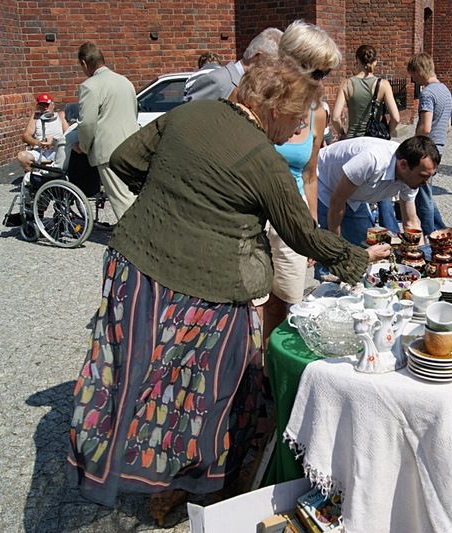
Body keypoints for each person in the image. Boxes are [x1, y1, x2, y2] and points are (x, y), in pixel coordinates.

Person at [67, 57, 390, 524]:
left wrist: (171, 196)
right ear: (272, 106)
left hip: (132, 267)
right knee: (214, 388)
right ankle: (191, 485)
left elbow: (123, 161)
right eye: (298, 116)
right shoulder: (262, 160)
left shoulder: (187, 114)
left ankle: (134, 469)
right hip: (204, 291)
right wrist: (360, 257)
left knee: (138, 371)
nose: (302, 126)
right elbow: (304, 236)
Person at [261, 20, 341, 346]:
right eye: (319, 73)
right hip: (253, 214)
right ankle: (254, 371)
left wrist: (313, 227)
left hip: (290, 218)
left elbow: (310, 173)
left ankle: (272, 369)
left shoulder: (317, 113)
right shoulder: (259, 100)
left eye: (326, 74)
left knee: (289, 297)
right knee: (254, 301)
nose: (322, 82)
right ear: (295, 65)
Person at [314, 135, 439, 281]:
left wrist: (419, 257)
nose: (427, 182)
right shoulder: (372, 160)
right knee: (328, 248)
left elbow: (411, 222)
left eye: (430, 176)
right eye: (424, 176)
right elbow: (337, 201)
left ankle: (354, 283)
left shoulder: (413, 176)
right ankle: (326, 286)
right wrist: (335, 247)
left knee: (363, 247)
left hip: (355, 195)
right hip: (324, 186)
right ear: (403, 165)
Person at [331, 45, 402, 234]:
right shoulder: (383, 85)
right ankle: (390, 231)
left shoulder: (347, 84)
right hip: (375, 141)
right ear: (375, 62)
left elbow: (335, 117)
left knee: (351, 190)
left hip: (353, 142)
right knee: (382, 188)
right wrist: (389, 132)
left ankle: (354, 229)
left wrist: (343, 133)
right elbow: (396, 117)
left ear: (357, 61)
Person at [73, 42, 139, 220]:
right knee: (132, 194)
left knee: (120, 198)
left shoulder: (90, 86)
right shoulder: (125, 82)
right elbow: (134, 111)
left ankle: (133, 240)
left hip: (108, 150)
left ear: (84, 63)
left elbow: (87, 123)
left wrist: (83, 146)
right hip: (132, 145)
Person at [407, 52, 452, 237]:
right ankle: (440, 227)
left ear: (419, 71)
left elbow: (425, 127)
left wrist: (413, 142)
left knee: (422, 194)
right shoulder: (445, 91)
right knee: (427, 191)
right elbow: (448, 126)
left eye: (413, 74)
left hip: (426, 149)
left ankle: (430, 233)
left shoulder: (428, 93)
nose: (412, 80)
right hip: (439, 147)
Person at [183, 28, 282, 102]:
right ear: (258, 57)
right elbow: (187, 120)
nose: (275, 72)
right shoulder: (217, 81)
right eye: (273, 64)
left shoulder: (252, 86)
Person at [16, 93, 69, 172]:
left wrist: (54, 142)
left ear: (52, 104)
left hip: (56, 150)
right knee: (21, 156)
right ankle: (35, 176)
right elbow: (26, 136)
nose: (45, 107)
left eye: (47, 105)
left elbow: (68, 135)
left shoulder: (60, 116)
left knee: (69, 156)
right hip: (40, 150)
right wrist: (38, 143)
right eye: (42, 105)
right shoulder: (36, 117)